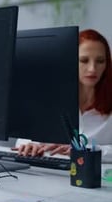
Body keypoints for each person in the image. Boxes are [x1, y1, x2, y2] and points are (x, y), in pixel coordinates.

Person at [16, 29, 112, 162]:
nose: (92, 69)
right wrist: (29, 145)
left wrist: (86, 151)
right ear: (70, 60)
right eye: (84, 60)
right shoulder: (50, 99)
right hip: (48, 175)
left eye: (100, 61)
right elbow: (23, 139)